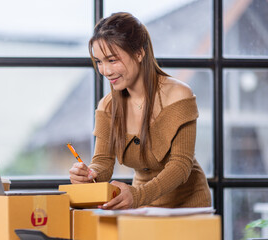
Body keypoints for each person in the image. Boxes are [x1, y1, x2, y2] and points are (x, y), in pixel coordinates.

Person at [69, 12, 211, 210]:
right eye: (99, 61)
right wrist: (89, 174)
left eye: (112, 60)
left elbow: (181, 165)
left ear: (139, 53)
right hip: (140, 205)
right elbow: (103, 161)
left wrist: (138, 195)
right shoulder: (107, 106)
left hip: (187, 205)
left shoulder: (178, 94)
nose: (105, 71)